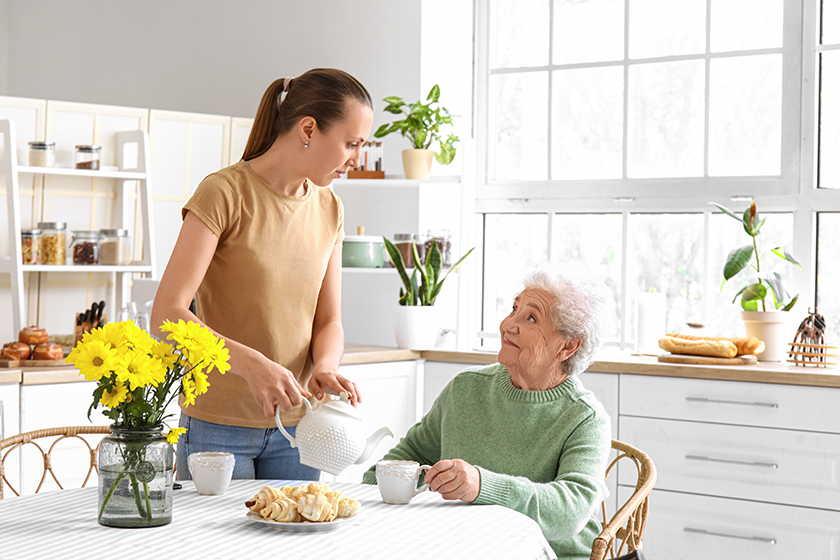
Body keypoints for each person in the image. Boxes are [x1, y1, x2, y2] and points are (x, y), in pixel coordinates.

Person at [151, 69, 374, 481]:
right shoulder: (224, 193)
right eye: (351, 143)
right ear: (309, 128)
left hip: (301, 427)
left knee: (294, 545)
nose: (355, 160)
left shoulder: (330, 209)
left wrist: (325, 366)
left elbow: (329, 321)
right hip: (216, 427)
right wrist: (252, 365)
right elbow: (167, 315)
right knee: (216, 548)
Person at [363, 261, 614, 559]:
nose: (508, 324)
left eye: (531, 318)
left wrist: (480, 486)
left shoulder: (585, 418)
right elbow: (386, 471)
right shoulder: (465, 389)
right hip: (460, 549)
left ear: (568, 347)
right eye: (514, 309)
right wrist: (416, 484)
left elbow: (569, 512)